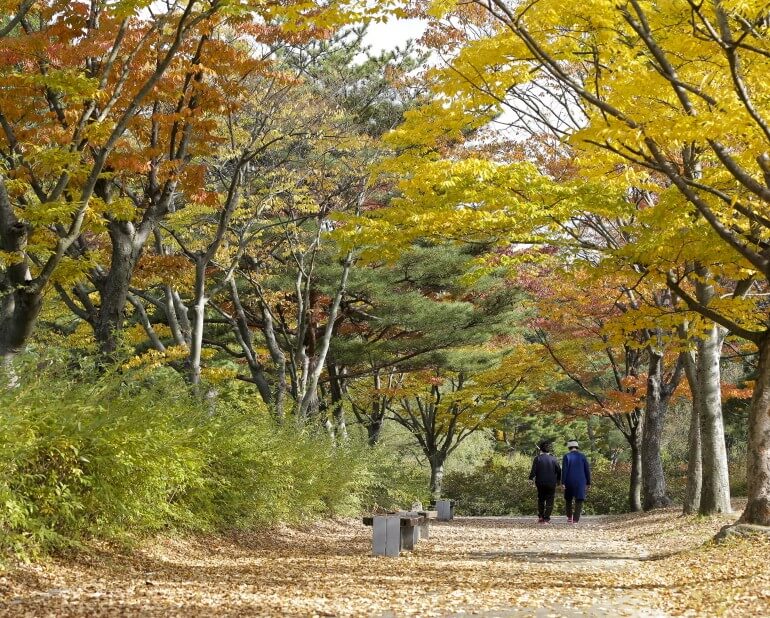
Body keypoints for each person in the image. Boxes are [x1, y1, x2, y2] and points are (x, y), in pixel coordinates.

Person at [529, 440, 561, 524]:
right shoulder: (554, 459)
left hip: (540, 482)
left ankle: (541, 517)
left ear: (541, 449)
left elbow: (533, 471)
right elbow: (559, 471)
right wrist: (558, 481)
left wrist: (530, 479)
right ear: (549, 449)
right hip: (551, 483)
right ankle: (546, 518)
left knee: (541, 499)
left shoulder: (537, 458)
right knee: (550, 500)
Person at [561, 440, 591, 524]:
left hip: (569, 480)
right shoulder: (583, 456)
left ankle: (569, 517)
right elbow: (587, 470)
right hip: (581, 481)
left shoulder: (566, 456)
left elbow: (564, 470)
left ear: (569, 447)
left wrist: (562, 482)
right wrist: (588, 482)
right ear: (577, 447)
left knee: (568, 499)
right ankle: (575, 520)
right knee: (579, 499)